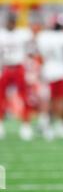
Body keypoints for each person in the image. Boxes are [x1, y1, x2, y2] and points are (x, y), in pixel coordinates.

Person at [35, 14, 63, 141]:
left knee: (50, 101)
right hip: (62, 71)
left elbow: (38, 55)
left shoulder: (43, 36)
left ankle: (47, 125)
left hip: (48, 71)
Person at [0, 12, 34, 140]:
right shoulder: (2, 34)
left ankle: (26, 125)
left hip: (19, 67)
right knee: (1, 98)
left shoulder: (23, 34)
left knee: (25, 97)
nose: (11, 23)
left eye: (13, 21)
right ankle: (1, 124)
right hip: (5, 67)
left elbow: (31, 52)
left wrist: (30, 69)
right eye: (9, 21)